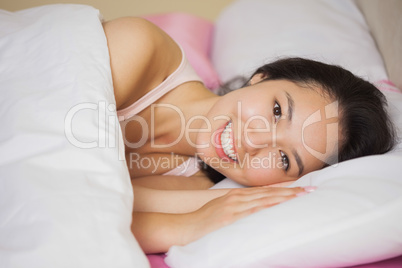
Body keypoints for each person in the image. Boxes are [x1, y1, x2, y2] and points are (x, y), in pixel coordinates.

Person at [102, 17, 396, 253]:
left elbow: (93, 212)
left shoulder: (199, 188)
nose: (255, 141)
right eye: (278, 111)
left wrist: (190, 226)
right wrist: (180, 226)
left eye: (284, 158)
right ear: (261, 77)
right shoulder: (142, 50)